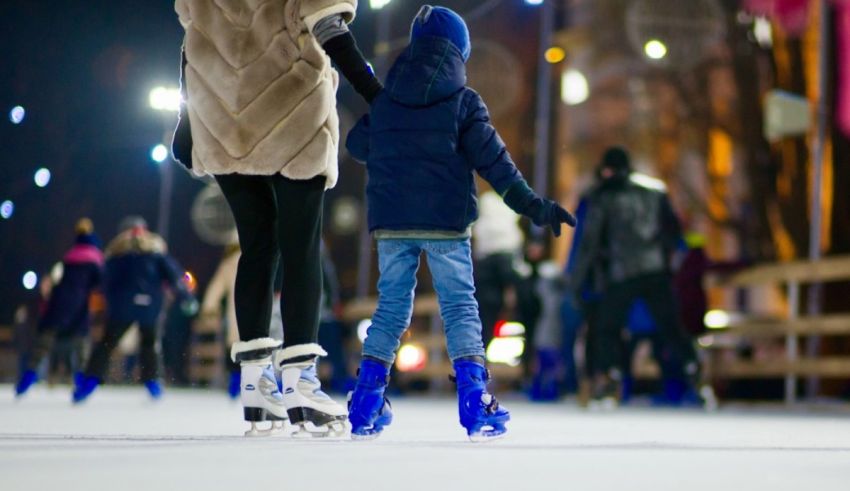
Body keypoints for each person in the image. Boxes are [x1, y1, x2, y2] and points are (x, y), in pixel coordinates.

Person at [345, 5, 576, 441]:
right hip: (446, 222)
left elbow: (358, 144)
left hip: (393, 221)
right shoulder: (463, 102)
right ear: (460, 51)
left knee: (392, 307)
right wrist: (536, 207)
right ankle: (474, 397)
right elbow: (497, 166)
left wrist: (393, 127)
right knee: (459, 306)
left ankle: (366, 398)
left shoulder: (387, 99)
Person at [172, 0, 382, 437]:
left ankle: (256, 384)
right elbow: (329, 28)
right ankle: (300, 382)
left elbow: (191, 44)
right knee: (300, 246)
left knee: (256, 247)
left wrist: (185, 123)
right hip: (291, 117)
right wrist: (377, 96)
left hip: (222, 124)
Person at [570, 147, 699, 405]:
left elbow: (589, 243)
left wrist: (577, 281)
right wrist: (670, 265)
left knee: (608, 328)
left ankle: (611, 376)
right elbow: (674, 235)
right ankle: (692, 371)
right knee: (670, 328)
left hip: (621, 272)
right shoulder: (655, 193)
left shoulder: (601, 195)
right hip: (655, 270)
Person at [72, 217, 195, 403]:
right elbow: (174, 276)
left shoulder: (116, 253)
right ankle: (153, 382)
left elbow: (105, 280)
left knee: (107, 343)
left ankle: (89, 381)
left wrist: (107, 300)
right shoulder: (156, 253)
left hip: (122, 305)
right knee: (150, 343)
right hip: (150, 305)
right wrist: (186, 298)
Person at [15, 219, 103, 397]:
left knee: (44, 343)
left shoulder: (69, 257)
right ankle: (81, 383)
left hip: (60, 301)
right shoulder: (94, 258)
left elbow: (53, 281)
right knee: (80, 346)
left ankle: (28, 377)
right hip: (79, 304)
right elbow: (101, 282)